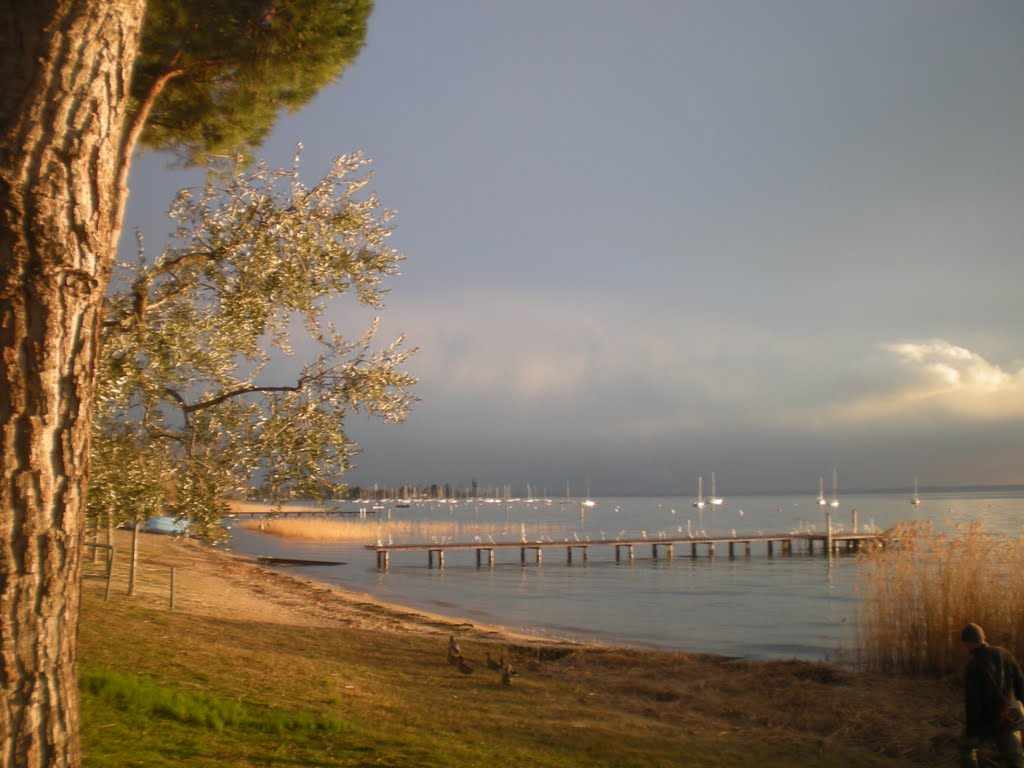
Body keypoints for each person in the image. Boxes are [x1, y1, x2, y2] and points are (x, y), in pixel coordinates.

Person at [960, 622, 1024, 768]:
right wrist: (1020, 705)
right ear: (984, 638)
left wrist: (972, 730)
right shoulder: (1004, 654)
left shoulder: (974, 666)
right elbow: (1020, 682)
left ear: (968, 643)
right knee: (1015, 757)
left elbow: (973, 703)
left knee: (965, 747)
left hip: (988, 720)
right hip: (1009, 715)